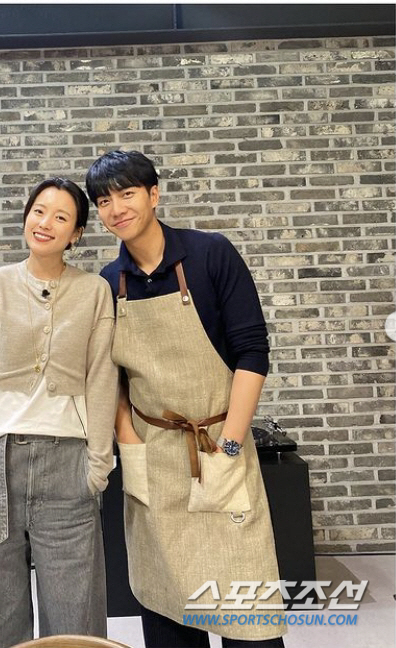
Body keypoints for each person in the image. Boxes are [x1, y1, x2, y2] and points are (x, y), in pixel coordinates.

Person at [86, 151, 286, 648]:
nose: (116, 209)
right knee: (168, 604)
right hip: (153, 457)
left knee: (248, 611)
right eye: (104, 201)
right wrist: (129, 442)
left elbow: (252, 352)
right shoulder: (109, 283)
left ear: (154, 194)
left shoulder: (211, 254)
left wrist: (231, 447)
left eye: (127, 193)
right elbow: (111, 378)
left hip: (218, 443)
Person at [0, 177, 118, 648]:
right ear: (26, 216)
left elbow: (102, 379)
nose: (46, 223)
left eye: (61, 217)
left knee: (76, 623)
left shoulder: (94, 292)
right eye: (39, 211)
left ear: (76, 234)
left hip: (68, 468)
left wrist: (98, 466)